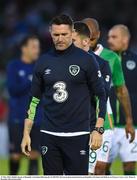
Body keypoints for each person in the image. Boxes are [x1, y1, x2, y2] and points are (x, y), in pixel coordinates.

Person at [21, 14, 106, 175]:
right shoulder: (43, 61)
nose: (60, 39)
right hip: (49, 135)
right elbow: (33, 100)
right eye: (56, 35)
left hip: (78, 134)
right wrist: (26, 134)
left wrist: (98, 129)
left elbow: (100, 95)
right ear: (50, 33)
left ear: (72, 32)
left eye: (64, 34)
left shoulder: (87, 60)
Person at [82, 18, 135, 175]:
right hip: (77, 120)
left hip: (103, 121)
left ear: (98, 35)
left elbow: (121, 90)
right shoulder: (72, 56)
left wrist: (129, 120)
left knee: (99, 169)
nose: (87, 40)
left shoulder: (110, 58)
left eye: (91, 36)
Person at [73, 21, 112, 175]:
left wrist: (98, 129)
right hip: (65, 128)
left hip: (89, 127)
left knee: (91, 172)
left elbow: (102, 97)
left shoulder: (101, 64)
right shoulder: (60, 62)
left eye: (73, 40)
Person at [7, 35, 42, 175]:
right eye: (34, 46)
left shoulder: (40, 67)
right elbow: (13, 90)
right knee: (15, 155)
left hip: (37, 118)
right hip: (17, 117)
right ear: (24, 48)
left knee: (34, 154)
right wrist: (32, 80)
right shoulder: (14, 66)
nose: (37, 50)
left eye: (38, 47)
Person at [107, 24, 137, 175]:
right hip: (108, 126)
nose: (109, 40)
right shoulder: (104, 61)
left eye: (114, 37)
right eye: (108, 37)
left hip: (131, 125)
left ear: (125, 39)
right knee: (102, 167)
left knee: (130, 167)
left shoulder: (135, 61)